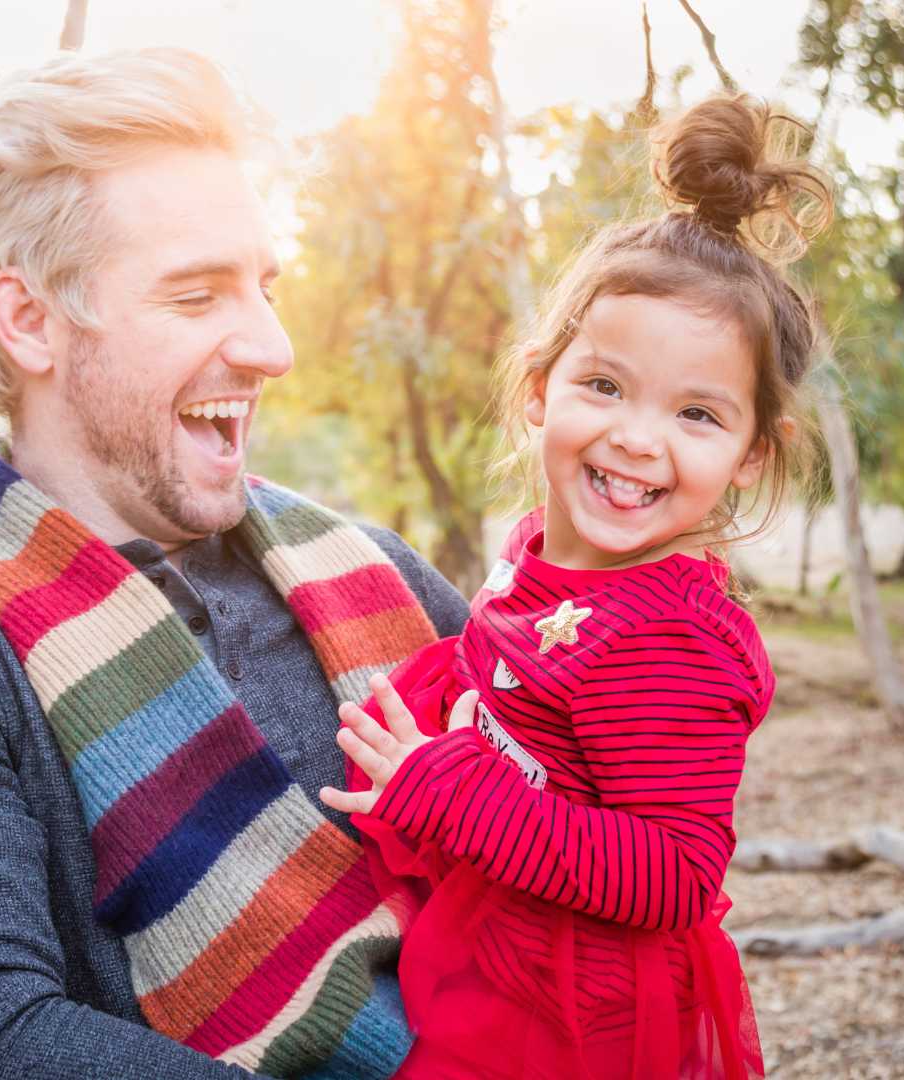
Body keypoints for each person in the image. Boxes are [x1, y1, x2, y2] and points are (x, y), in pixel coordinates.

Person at [0, 49, 469, 1080]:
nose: (272, 347)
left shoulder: (379, 575)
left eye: (262, 288)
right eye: (196, 296)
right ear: (29, 319)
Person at [320, 94, 833, 1079]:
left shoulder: (663, 643)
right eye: (604, 386)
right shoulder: (540, 554)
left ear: (751, 457)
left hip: (571, 1019)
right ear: (537, 386)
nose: (637, 437)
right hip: (496, 946)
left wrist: (449, 793)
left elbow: (676, 875)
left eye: (696, 413)